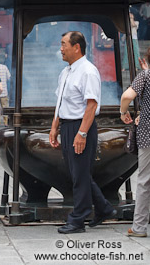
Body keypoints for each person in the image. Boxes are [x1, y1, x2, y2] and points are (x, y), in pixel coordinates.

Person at [49, 31, 116, 234]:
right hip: (67, 125)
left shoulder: (88, 71)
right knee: (78, 173)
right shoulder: (66, 72)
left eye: (63, 44)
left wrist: (82, 133)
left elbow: (91, 105)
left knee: (79, 175)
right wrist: (54, 127)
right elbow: (60, 101)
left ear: (76, 47)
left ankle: (78, 219)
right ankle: (104, 209)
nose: (60, 48)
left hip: (81, 126)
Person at [120, 44, 150, 237]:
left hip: (149, 132)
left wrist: (123, 112)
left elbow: (127, 96)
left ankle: (139, 227)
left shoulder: (146, 76)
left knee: (144, 181)